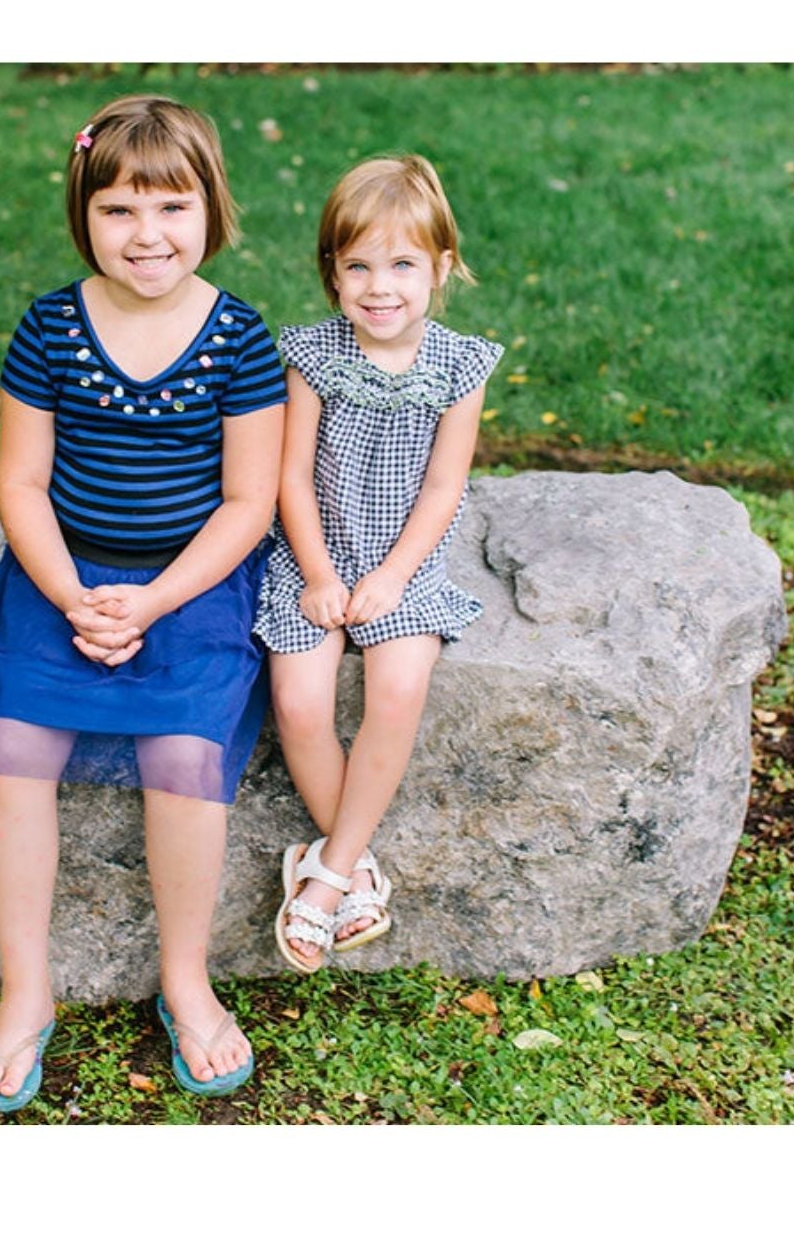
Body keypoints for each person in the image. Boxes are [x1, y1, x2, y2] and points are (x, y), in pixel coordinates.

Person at [0, 95, 286, 1107]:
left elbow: (249, 502)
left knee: (184, 751)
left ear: (211, 210)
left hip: (190, 577)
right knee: (14, 743)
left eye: (171, 207)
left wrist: (151, 602)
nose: (146, 235)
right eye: (118, 210)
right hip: (60, 569)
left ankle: (185, 978)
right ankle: (26, 990)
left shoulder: (239, 337)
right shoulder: (53, 325)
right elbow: (21, 483)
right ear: (85, 215)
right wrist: (71, 592)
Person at [255, 154, 504, 973]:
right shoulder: (312, 355)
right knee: (298, 699)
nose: (379, 286)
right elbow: (290, 477)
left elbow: (443, 485)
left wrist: (394, 576)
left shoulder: (460, 365)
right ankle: (353, 870)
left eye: (402, 264)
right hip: (314, 551)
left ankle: (321, 880)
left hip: (405, 557)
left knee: (397, 687)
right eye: (357, 265)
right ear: (331, 273)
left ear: (441, 267)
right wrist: (322, 575)